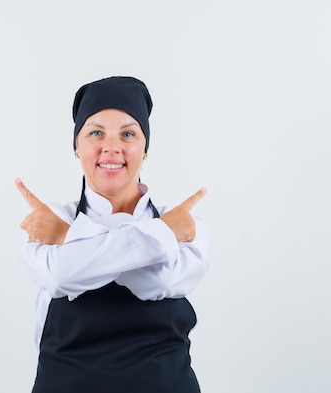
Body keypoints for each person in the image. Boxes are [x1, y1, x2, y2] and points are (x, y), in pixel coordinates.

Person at [15, 76, 211, 393]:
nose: (111, 147)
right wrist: (161, 235)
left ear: (145, 148)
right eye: (95, 133)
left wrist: (69, 238)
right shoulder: (49, 219)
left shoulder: (188, 225)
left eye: (128, 134)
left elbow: (158, 282)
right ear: (77, 147)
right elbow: (62, 276)